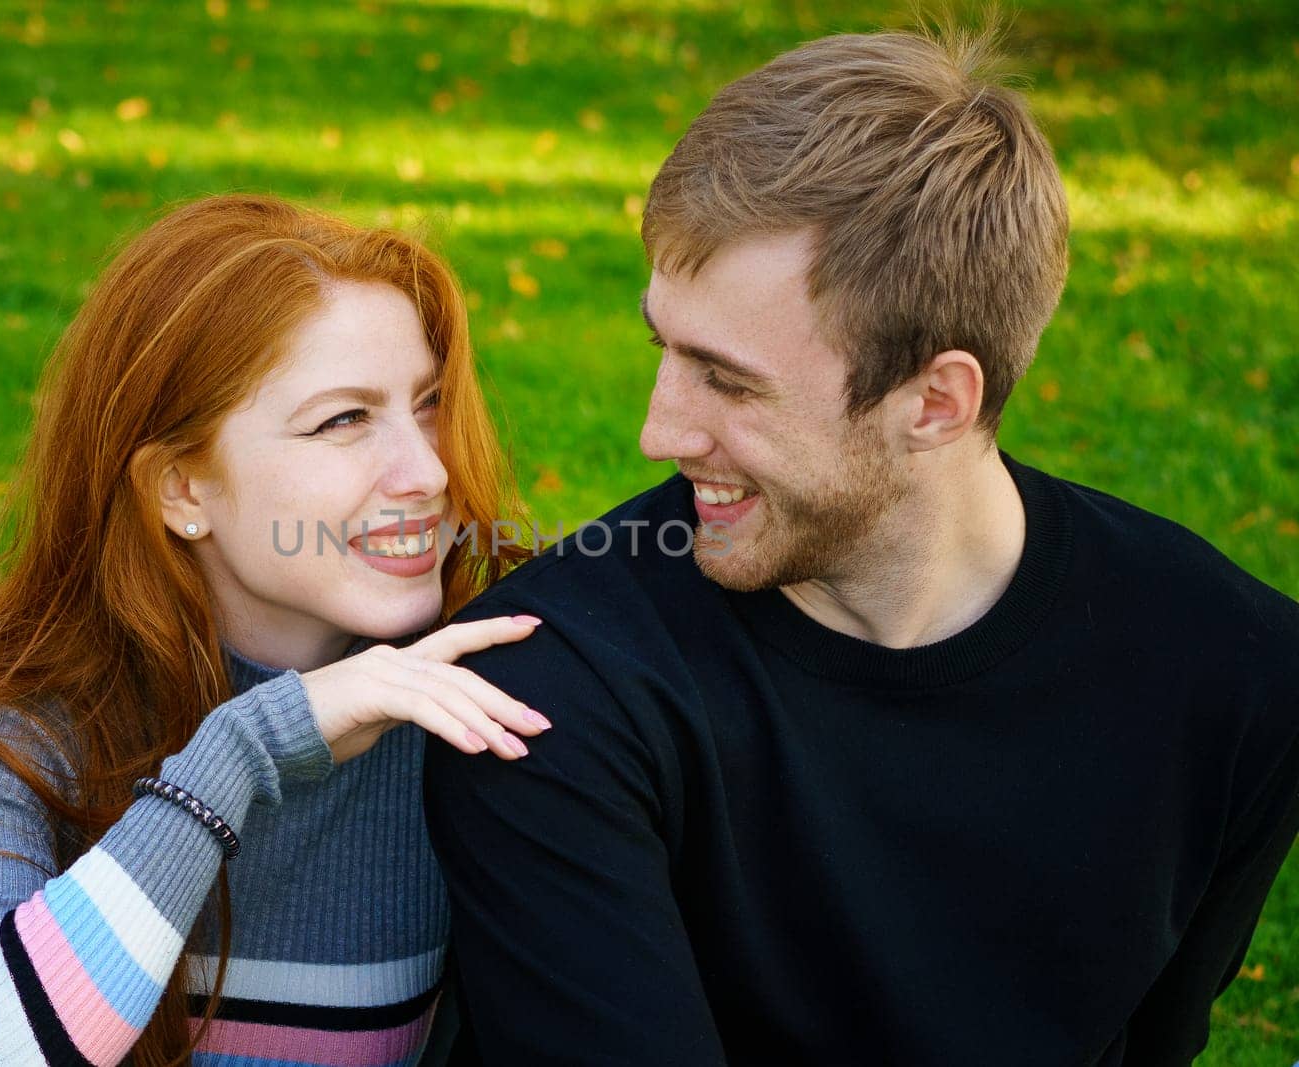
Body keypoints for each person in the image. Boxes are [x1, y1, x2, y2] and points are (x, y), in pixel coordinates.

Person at [421, 26, 1299, 1066]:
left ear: (935, 401)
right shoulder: (543, 694)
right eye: (665, 347)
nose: (660, 432)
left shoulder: (1236, 671)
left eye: (729, 379)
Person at [0, 194, 554, 1066]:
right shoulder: (0, 725)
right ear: (182, 489)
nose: (429, 469)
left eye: (428, 404)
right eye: (344, 418)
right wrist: (245, 752)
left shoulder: (485, 694)